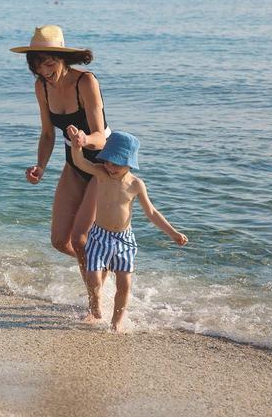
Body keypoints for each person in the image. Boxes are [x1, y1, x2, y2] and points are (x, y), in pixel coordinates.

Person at [11, 25, 111, 281]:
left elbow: (100, 136)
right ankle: (104, 268)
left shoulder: (85, 81)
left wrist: (84, 138)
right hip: (74, 163)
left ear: (61, 58)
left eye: (49, 64)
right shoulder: (41, 87)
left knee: (79, 239)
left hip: (104, 165)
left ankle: (95, 306)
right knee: (59, 240)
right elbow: (47, 133)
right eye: (37, 66)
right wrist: (40, 166)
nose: (44, 72)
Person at [67, 127, 188, 332]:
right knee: (93, 278)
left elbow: (151, 213)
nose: (110, 167)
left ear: (129, 162)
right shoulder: (101, 174)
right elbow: (80, 162)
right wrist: (76, 145)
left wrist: (173, 233)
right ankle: (95, 302)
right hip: (99, 235)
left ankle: (117, 321)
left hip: (124, 240)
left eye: (116, 164)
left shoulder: (136, 184)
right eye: (107, 161)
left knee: (125, 284)